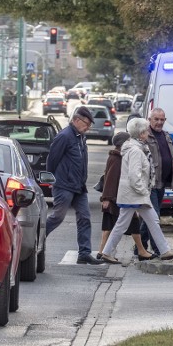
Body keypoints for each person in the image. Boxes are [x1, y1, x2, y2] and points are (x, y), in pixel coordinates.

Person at [99, 118, 173, 264]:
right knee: (125, 224)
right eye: (145, 131)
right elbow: (134, 175)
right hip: (135, 194)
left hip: (133, 194)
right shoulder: (136, 151)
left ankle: (165, 250)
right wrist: (144, 191)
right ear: (141, 133)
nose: (148, 133)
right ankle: (107, 252)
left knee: (151, 220)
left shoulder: (132, 148)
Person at [43, 106, 103, 265]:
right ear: (76, 120)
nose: (88, 127)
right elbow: (52, 160)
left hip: (79, 186)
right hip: (64, 185)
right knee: (58, 217)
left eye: (89, 124)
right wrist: (52, 180)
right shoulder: (64, 136)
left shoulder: (80, 137)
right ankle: (37, 239)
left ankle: (84, 253)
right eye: (86, 123)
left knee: (85, 217)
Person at [98, 131, 154, 262]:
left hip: (123, 196)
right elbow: (109, 178)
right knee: (110, 226)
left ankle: (141, 250)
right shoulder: (117, 158)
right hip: (115, 198)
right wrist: (106, 197)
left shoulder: (122, 156)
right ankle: (102, 251)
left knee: (131, 224)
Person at [139, 108, 173, 256]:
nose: (159, 122)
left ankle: (140, 247)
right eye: (156, 119)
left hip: (161, 182)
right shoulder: (145, 136)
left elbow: (172, 158)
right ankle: (158, 249)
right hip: (150, 183)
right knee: (154, 216)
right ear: (150, 120)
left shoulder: (166, 136)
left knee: (149, 217)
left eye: (162, 119)